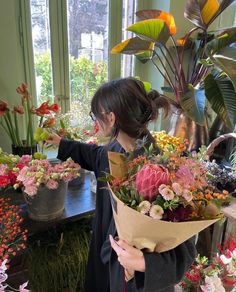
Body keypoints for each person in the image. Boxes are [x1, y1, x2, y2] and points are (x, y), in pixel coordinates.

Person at [47, 77, 196, 292]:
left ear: (111, 118)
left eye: (95, 115)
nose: (95, 122)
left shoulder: (159, 171)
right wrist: (63, 144)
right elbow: (95, 155)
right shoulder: (116, 148)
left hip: (136, 281)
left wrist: (145, 263)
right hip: (107, 260)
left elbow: (187, 250)